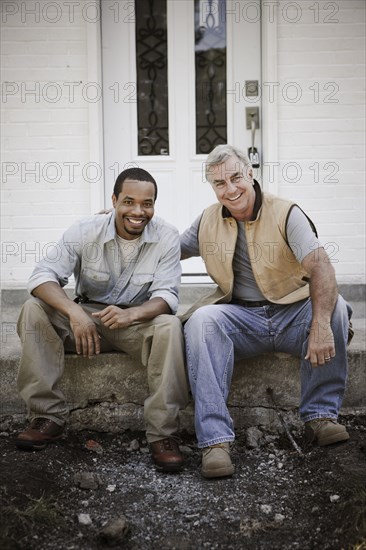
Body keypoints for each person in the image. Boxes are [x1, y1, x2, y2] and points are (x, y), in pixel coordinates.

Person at [180, 144, 353, 479]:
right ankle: (215, 442)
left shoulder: (286, 212)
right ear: (212, 187)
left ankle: (320, 416)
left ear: (250, 173)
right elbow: (169, 247)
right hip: (242, 320)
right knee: (202, 321)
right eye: (219, 184)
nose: (230, 189)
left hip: (292, 315)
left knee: (335, 310)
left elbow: (321, 267)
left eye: (235, 177)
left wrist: (318, 325)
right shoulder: (207, 221)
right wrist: (118, 225)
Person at [16, 167, 189, 472]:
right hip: (87, 318)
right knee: (33, 308)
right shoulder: (84, 230)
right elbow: (43, 276)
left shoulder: (167, 236)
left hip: (135, 323)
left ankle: (163, 435)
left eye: (146, 204)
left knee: (171, 326)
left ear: (153, 206)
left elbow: (168, 296)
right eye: (129, 201)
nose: (138, 211)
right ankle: (46, 416)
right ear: (114, 200)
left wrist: (132, 314)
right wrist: (74, 313)